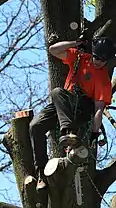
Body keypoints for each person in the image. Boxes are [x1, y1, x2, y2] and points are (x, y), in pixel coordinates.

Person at [29, 37, 114, 190]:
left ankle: (69, 132)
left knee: (57, 92)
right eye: (96, 57)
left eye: (102, 60)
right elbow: (53, 50)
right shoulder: (80, 58)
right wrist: (76, 43)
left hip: (81, 109)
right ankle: (41, 173)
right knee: (35, 126)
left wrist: (94, 133)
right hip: (62, 103)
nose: (98, 62)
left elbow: (99, 108)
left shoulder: (103, 80)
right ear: (92, 53)